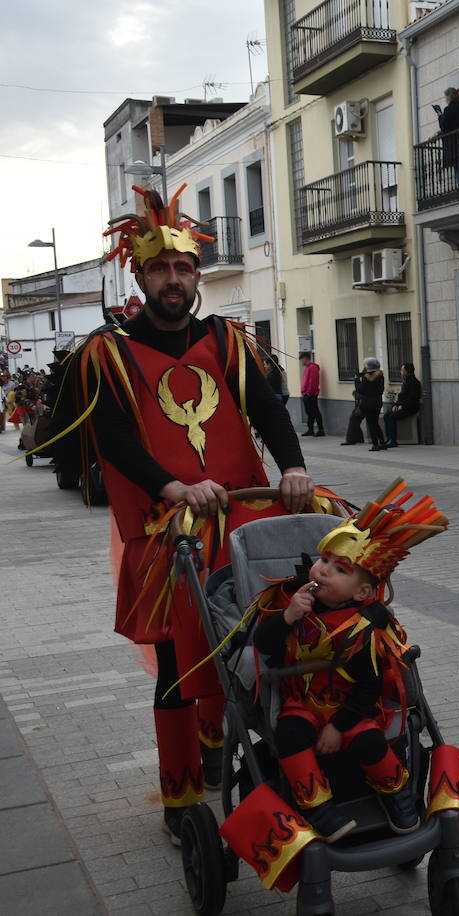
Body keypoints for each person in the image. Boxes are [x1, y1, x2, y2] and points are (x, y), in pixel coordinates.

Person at [65, 183, 313, 843]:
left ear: (196, 276)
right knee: (180, 662)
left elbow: (267, 411)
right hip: (167, 531)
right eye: (159, 268)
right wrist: (173, 487)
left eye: (182, 267)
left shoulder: (226, 341)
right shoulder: (109, 352)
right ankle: (179, 797)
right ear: (141, 276)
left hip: (242, 521)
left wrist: (293, 468)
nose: (172, 279)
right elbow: (113, 441)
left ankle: (225, 748)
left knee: (252, 644)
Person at [249, 480, 448, 841]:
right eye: (324, 560)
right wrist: (288, 616)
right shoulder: (292, 602)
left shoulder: (363, 629)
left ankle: (395, 791)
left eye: (340, 569)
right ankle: (316, 805)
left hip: (352, 708)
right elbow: (263, 644)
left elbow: (370, 687)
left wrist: (338, 727)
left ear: (363, 592)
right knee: (290, 734)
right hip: (301, 702)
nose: (323, 570)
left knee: (369, 741)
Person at [342, 358, 385, 450]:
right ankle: (382, 442)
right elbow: (372, 379)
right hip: (377, 402)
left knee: (371, 424)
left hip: (367, 404)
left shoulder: (366, 378)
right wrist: (361, 375)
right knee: (375, 423)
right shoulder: (380, 375)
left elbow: (360, 389)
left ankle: (375, 444)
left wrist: (357, 379)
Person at [382, 362, 422, 448]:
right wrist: (395, 405)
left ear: (406, 371)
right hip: (403, 406)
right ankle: (389, 438)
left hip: (410, 408)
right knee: (386, 415)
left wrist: (402, 406)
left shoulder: (414, 383)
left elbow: (412, 398)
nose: (400, 372)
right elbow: (401, 396)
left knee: (392, 417)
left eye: (402, 370)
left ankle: (393, 441)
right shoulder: (406, 381)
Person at [300, 351, 324, 437]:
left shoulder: (312, 368)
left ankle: (321, 430)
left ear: (305, 359)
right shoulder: (307, 368)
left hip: (311, 394)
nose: (301, 362)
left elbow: (312, 381)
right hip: (307, 393)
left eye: (301, 360)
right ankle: (310, 429)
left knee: (315, 412)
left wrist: (308, 393)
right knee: (310, 413)